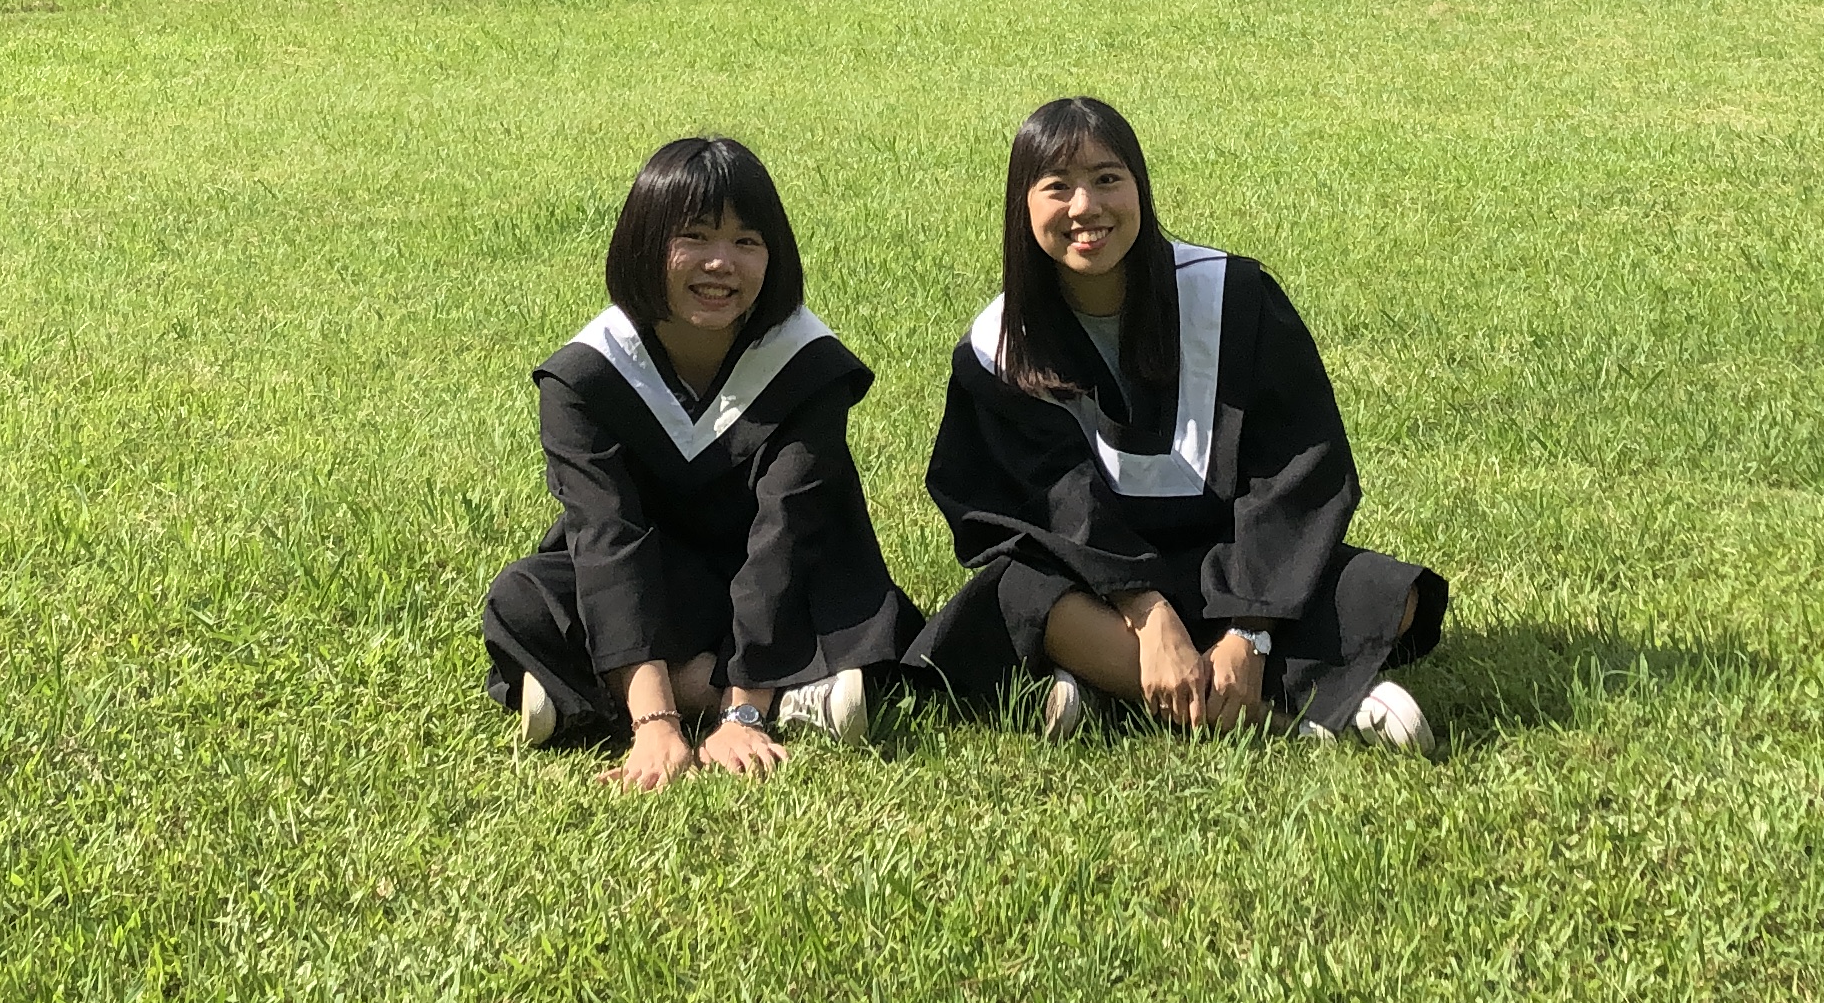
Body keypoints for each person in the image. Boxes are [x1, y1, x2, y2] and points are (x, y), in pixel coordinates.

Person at [914, 95, 1446, 748]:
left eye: (1108, 179)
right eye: (1058, 187)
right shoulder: (1001, 345)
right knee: (1020, 596)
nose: (1086, 208)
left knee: (1390, 596)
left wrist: (1249, 631)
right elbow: (1045, 504)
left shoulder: (1233, 299)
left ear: (1139, 187)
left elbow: (1292, 472)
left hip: (1238, 566)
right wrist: (1144, 607)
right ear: (1023, 208)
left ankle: (1116, 690)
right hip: (1099, 586)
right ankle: (1289, 717)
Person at [484, 134, 924, 788]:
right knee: (524, 596)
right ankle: (799, 697)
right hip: (667, 586)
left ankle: (595, 693)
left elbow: (786, 534)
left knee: (858, 607)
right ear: (644, 245)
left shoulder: (807, 369)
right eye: (694, 236)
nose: (721, 263)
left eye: (747, 242)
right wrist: (655, 724)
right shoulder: (587, 379)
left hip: (791, 577)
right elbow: (609, 537)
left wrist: (744, 711)